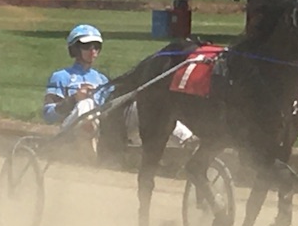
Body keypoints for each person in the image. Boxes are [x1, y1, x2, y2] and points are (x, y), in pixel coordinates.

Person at [42, 23, 196, 149]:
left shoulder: (101, 78)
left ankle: (188, 141)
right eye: (87, 46)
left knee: (152, 106)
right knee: (86, 104)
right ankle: (85, 152)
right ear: (75, 48)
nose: (92, 51)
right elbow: (48, 115)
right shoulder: (61, 77)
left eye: (96, 46)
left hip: (108, 128)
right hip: (72, 132)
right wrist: (74, 99)